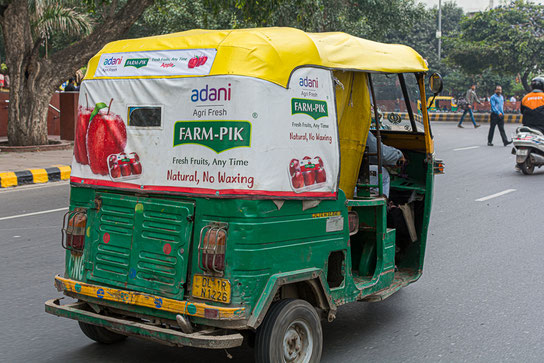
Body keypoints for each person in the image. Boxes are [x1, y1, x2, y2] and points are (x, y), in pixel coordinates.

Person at [363, 131, 406, 198]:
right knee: (383, 174)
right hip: (351, 169)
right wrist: (399, 156)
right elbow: (382, 154)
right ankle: (382, 204)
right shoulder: (359, 127)